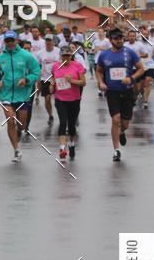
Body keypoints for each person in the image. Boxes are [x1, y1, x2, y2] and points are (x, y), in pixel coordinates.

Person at [0, 30, 40, 163]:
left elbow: (36, 71)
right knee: (10, 120)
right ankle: (16, 150)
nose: (10, 43)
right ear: (4, 42)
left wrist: (27, 80)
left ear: (17, 41)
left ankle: (20, 131)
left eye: (12, 40)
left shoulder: (26, 56)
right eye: (7, 41)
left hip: (23, 95)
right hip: (6, 95)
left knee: (22, 125)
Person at [95, 28, 144, 162]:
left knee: (125, 123)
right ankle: (116, 150)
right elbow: (98, 71)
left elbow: (141, 68)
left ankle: (122, 131)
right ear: (110, 40)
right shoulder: (104, 55)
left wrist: (131, 79)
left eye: (121, 38)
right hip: (112, 91)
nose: (120, 41)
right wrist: (101, 82)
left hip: (127, 91)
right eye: (116, 39)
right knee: (115, 119)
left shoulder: (130, 53)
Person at [51, 44, 86, 160]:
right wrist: (51, 85)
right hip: (60, 99)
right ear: (60, 56)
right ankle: (62, 148)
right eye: (64, 56)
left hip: (74, 99)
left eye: (68, 56)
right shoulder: (55, 66)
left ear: (71, 55)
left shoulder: (78, 66)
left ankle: (71, 144)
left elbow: (83, 82)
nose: (66, 58)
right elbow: (53, 80)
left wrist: (72, 81)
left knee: (71, 125)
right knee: (62, 121)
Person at [37, 35, 61, 124]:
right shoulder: (40, 53)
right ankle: (50, 115)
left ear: (53, 42)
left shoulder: (58, 51)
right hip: (45, 78)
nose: (48, 43)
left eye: (50, 41)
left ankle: (62, 114)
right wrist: (38, 76)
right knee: (47, 99)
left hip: (57, 78)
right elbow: (37, 65)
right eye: (47, 41)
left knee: (59, 99)